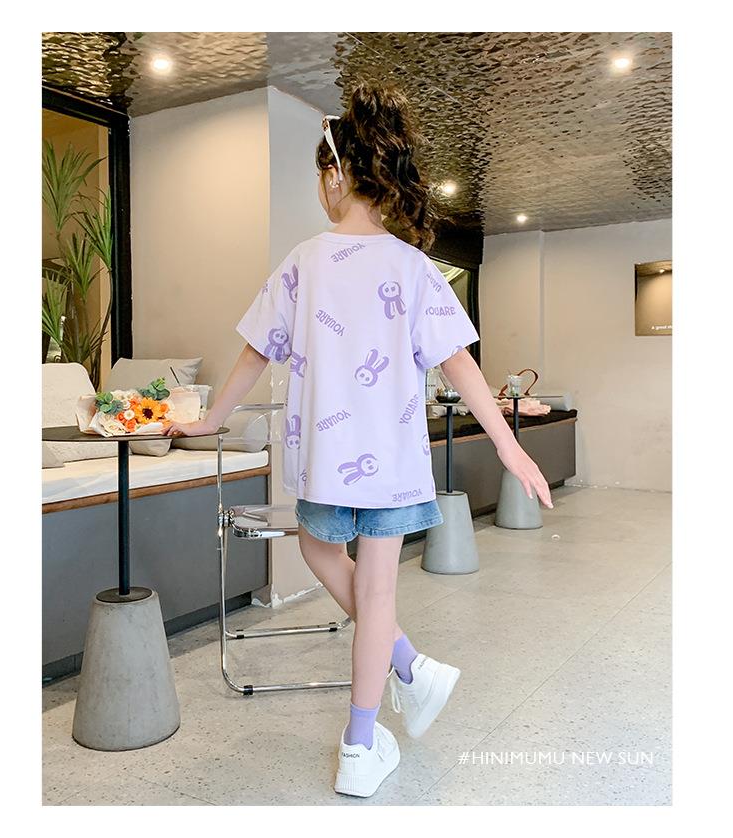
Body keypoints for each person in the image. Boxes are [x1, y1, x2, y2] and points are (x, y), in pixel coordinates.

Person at [163, 81, 553, 798]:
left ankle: (384, 707)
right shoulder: (413, 266)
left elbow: (255, 351)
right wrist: (508, 444)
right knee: (375, 593)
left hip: (325, 460)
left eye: (320, 174)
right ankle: (374, 722)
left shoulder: (303, 260)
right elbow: (460, 365)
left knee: (319, 551)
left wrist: (213, 419)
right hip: (394, 464)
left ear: (336, 176)